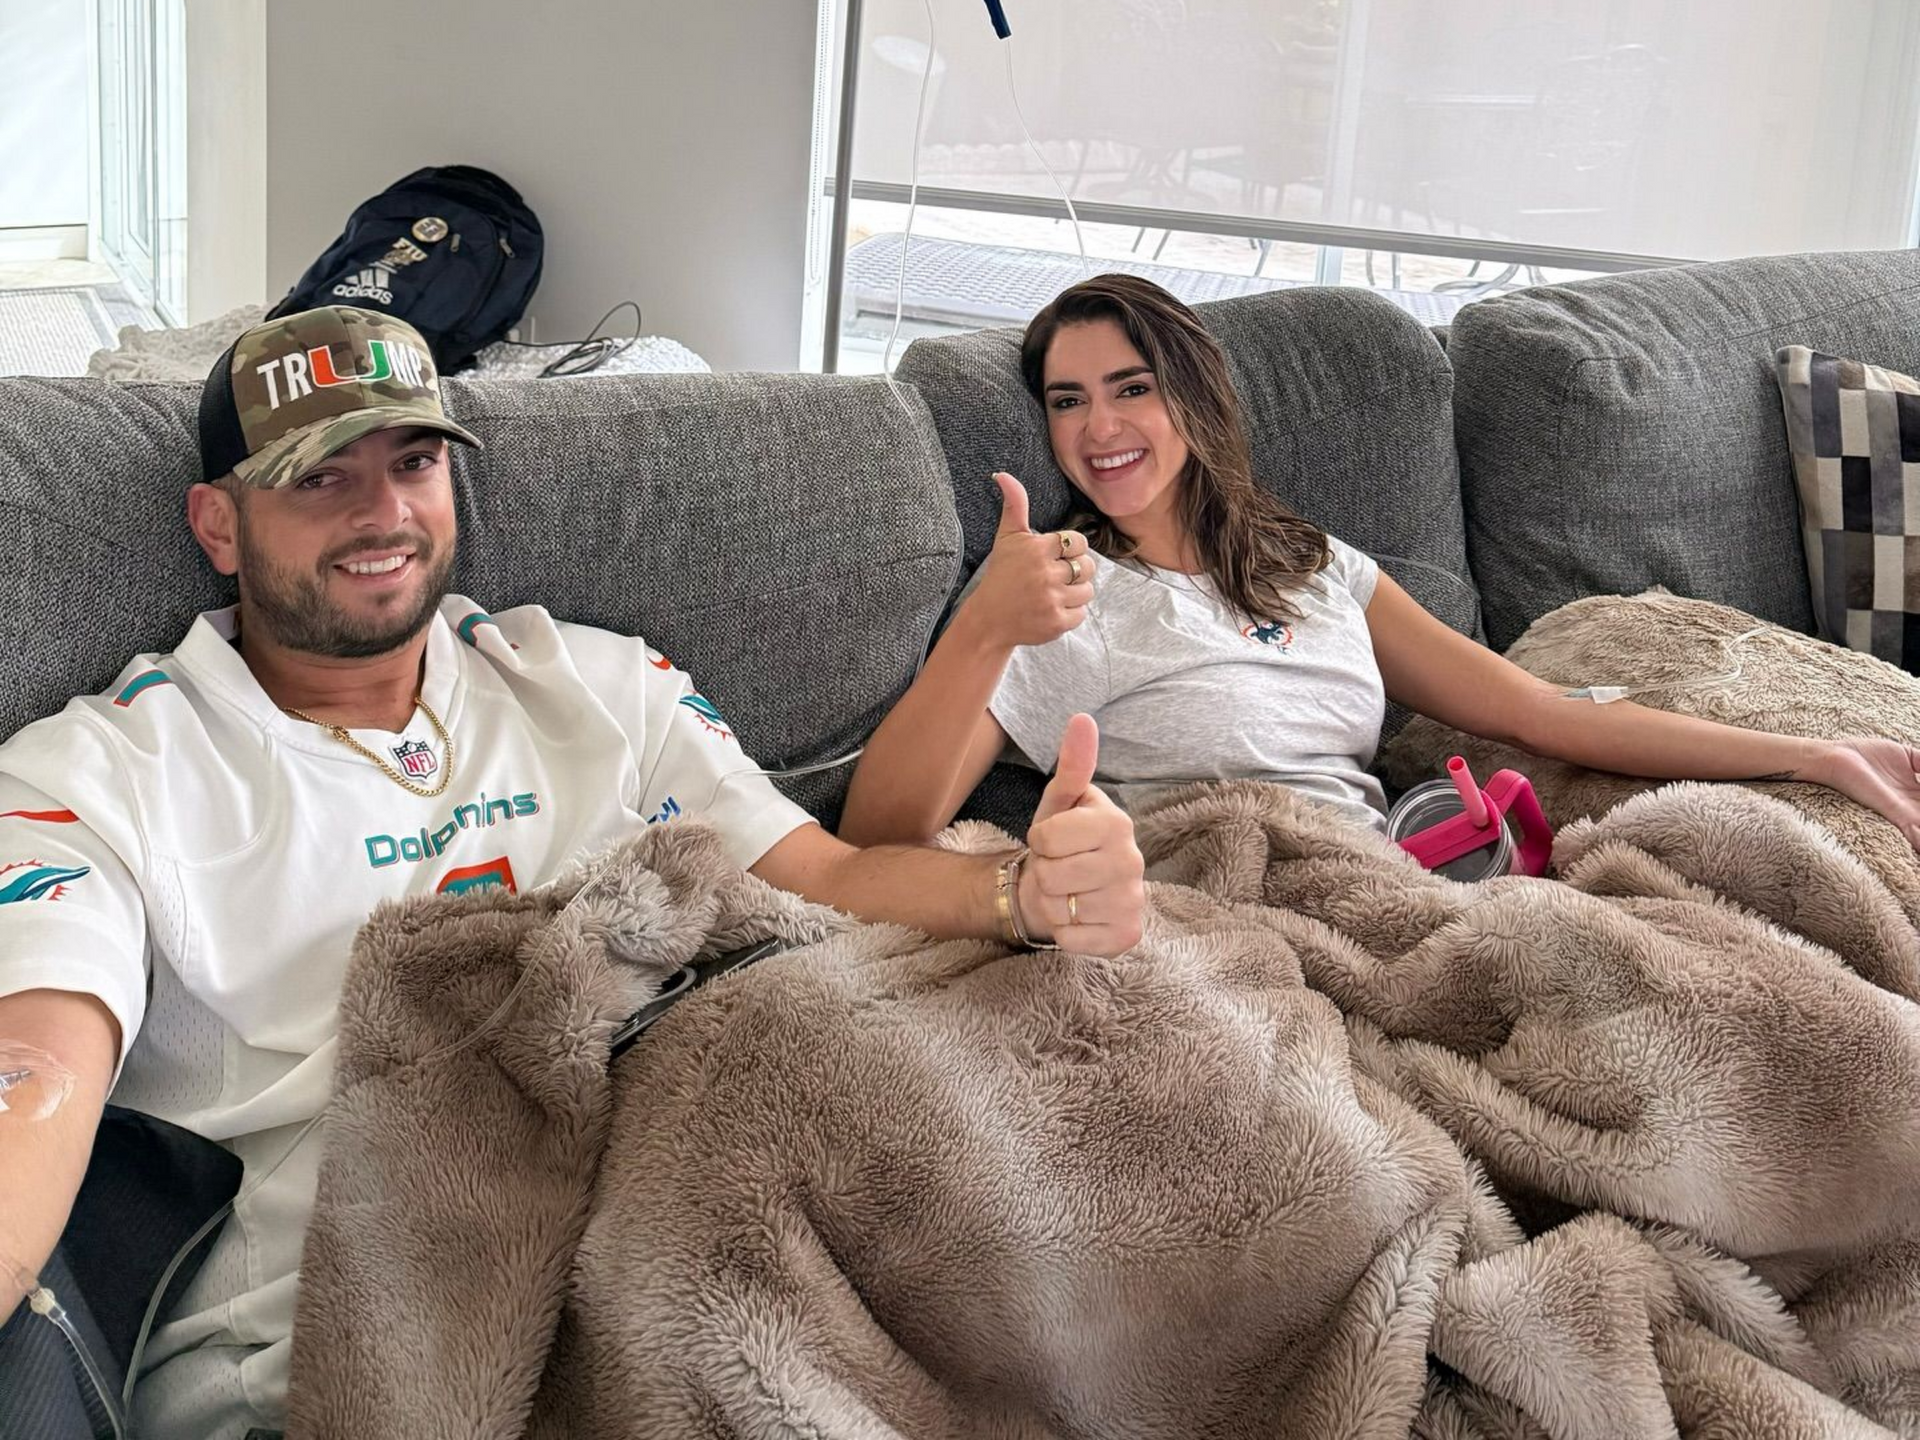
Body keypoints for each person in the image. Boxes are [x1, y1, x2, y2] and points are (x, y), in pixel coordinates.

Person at [0, 307, 1146, 1438]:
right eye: (320, 478)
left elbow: (821, 881)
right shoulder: (102, 774)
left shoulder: (600, 682)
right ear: (217, 523)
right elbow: (33, 1070)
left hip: (700, 1249)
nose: (385, 512)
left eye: (414, 463)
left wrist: (1021, 897)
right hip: (354, 1344)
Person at [839, 272, 1920, 853]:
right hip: (1236, 915)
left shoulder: (1312, 565)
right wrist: (986, 624)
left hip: (1399, 884)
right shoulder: (1062, 592)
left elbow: (1545, 716)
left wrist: (1812, 756)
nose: (1098, 425)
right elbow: (881, 830)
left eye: (1131, 386)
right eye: (1066, 399)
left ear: (1195, 398)